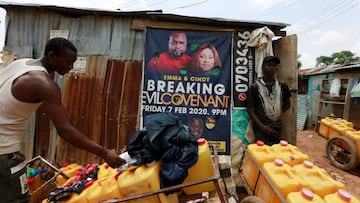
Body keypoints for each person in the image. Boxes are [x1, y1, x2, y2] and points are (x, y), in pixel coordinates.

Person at [0, 38, 125, 202]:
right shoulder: (44, 84)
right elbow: (64, 130)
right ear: (52, 56)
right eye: (67, 62)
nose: (70, 67)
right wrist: (103, 152)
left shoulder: (23, 64)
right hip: (4, 153)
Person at [246, 56, 291, 145]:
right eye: (269, 65)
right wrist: (262, 127)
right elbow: (250, 108)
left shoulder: (282, 86)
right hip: (261, 128)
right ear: (262, 68)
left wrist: (277, 113)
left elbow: (287, 104)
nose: (271, 68)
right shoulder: (255, 87)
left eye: (274, 66)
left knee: (278, 152)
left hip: (277, 127)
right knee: (262, 153)